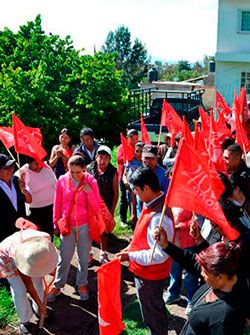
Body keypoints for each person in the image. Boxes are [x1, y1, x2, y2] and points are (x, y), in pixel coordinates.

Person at [155, 229, 250, 335]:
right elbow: (191, 261)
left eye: (205, 273)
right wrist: (166, 245)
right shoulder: (224, 277)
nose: (201, 275)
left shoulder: (224, 318)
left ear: (220, 277)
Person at [116, 166, 174, 335]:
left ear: (146, 188)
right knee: (154, 310)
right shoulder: (153, 205)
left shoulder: (158, 217)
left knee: (152, 316)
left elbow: (158, 255)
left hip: (150, 276)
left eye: (136, 189)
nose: (134, 193)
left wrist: (130, 255)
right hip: (147, 273)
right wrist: (130, 247)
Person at [48, 155, 100, 302]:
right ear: (68, 169)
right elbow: (57, 203)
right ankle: (58, 285)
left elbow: (97, 206)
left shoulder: (91, 181)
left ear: (84, 169)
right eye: (72, 172)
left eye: (79, 172)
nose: (75, 175)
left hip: (85, 225)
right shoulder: (62, 180)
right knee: (64, 257)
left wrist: (89, 191)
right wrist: (55, 223)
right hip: (67, 224)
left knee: (84, 258)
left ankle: (82, 283)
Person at [0, 226, 58, 335]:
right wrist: (41, 304)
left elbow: (48, 260)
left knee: (39, 284)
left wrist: (52, 271)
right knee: (20, 290)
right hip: (7, 258)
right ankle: (24, 320)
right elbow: (29, 287)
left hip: (32, 254)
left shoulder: (45, 241)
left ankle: (39, 311)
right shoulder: (15, 253)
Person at [87, 145, 118, 263]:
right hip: (90, 205)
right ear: (96, 157)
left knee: (103, 232)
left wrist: (111, 210)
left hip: (105, 207)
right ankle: (89, 254)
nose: (102, 160)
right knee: (89, 230)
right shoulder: (90, 168)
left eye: (106, 157)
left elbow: (116, 193)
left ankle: (103, 254)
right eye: (100, 157)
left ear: (110, 159)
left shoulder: (113, 171)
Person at [164, 208, 198, 315]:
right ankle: (173, 293)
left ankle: (191, 301)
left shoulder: (192, 202)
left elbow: (195, 221)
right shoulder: (172, 201)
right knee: (174, 270)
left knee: (190, 275)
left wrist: (180, 226)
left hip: (189, 243)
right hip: (175, 243)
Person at [17, 157, 57, 239]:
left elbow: (55, 184)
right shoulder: (23, 172)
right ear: (29, 164)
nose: (39, 166)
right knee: (38, 236)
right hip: (36, 210)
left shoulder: (46, 167)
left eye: (40, 162)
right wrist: (22, 185)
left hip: (52, 206)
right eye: (35, 163)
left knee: (49, 235)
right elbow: (24, 192)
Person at [0, 154, 31, 241]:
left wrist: (23, 189)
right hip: (4, 234)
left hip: (21, 228)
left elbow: (29, 200)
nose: (11, 170)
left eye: (12, 166)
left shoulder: (16, 180)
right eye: (7, 168)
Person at [116, 129, 138, 227]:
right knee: (124, 197)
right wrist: (129, 156)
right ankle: (122, 219)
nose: (134, 141)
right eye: (132, 139)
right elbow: (118, 159)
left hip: (135, 175)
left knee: (135, 197)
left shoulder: (137, 147)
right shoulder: (122, 147)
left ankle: (134, 216)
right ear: (128, 138)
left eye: (136, 139)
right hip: (124, 175)